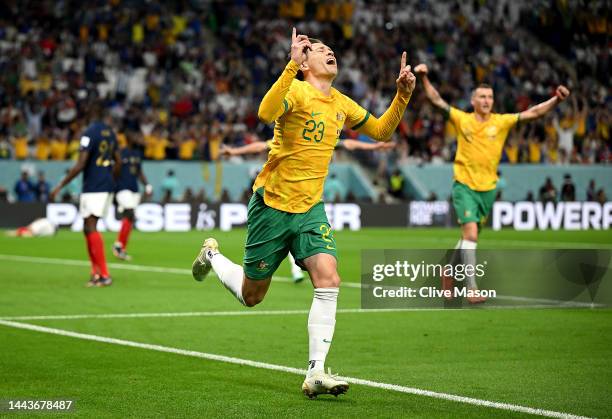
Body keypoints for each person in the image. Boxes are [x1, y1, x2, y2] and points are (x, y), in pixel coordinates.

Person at [192, 28, 415, 398]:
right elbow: (265, 113)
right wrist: (290, 66)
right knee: (252, 296)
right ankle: (212, 254)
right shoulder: (295, 89)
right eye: (321, 50)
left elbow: (380, 130)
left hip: (311, 209)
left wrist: (403, 95)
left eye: (331, 49)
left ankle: (316, 372)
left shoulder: (342, 103)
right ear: (306, 61)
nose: (330, 53)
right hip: (273, 206)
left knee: (329, 278)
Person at [415, 63, 569, 303]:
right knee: (472, 234)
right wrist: (423, 78)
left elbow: (534, 113)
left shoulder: (502, 122)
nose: (487, 100)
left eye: (490, 97)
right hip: (464, 184)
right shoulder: (462, 119)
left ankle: (447, 270)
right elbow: (436, 101)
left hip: (488, 188)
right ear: (473, 100)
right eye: (482, 97)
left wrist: (555, 100)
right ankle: (471, 289)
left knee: (469, 238)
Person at [221, 137, 394, 283]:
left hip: (308, 202)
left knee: (304, 246)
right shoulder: (289, 137)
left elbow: (347, 143)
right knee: (252, 294)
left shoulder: (320, 137)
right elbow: (261, 146)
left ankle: (299, 270)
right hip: (281, 201)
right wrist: (235, 152)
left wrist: (374, 146)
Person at [50, 111, 121, 287]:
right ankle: (95, 273)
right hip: (103, 185)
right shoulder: (111, 134)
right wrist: (111, 179)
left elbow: (81, 164)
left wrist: (60, 185)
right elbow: (118, 161)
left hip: (94, 187)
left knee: (90, 226)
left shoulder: (89, 133)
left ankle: (104, 274)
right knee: (87, 227)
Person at [112, 129, 152, 261]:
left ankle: (121, 247)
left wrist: (146, 185)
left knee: (129, 217)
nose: (138, 138)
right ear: (129, 138)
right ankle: (118, 245)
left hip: (134, 189)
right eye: (135, 136)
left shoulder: (137, 154)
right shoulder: (121, 153)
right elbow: (114, 171)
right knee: (129, 212)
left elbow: (139, 172)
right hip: (122, 188)